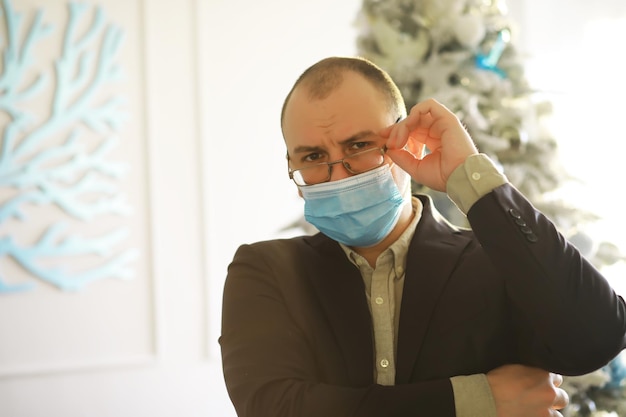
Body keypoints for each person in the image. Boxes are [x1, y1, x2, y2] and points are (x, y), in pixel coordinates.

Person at [219, 56, 626, 417]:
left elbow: (594, 340)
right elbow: (271, 407)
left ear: (404, 142)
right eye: (312, 157)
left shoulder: (496, 262)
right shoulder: (266, 270)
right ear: (292, 167)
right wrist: (475, 401)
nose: (337, 174)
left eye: (359, 145)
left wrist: (470, 178)